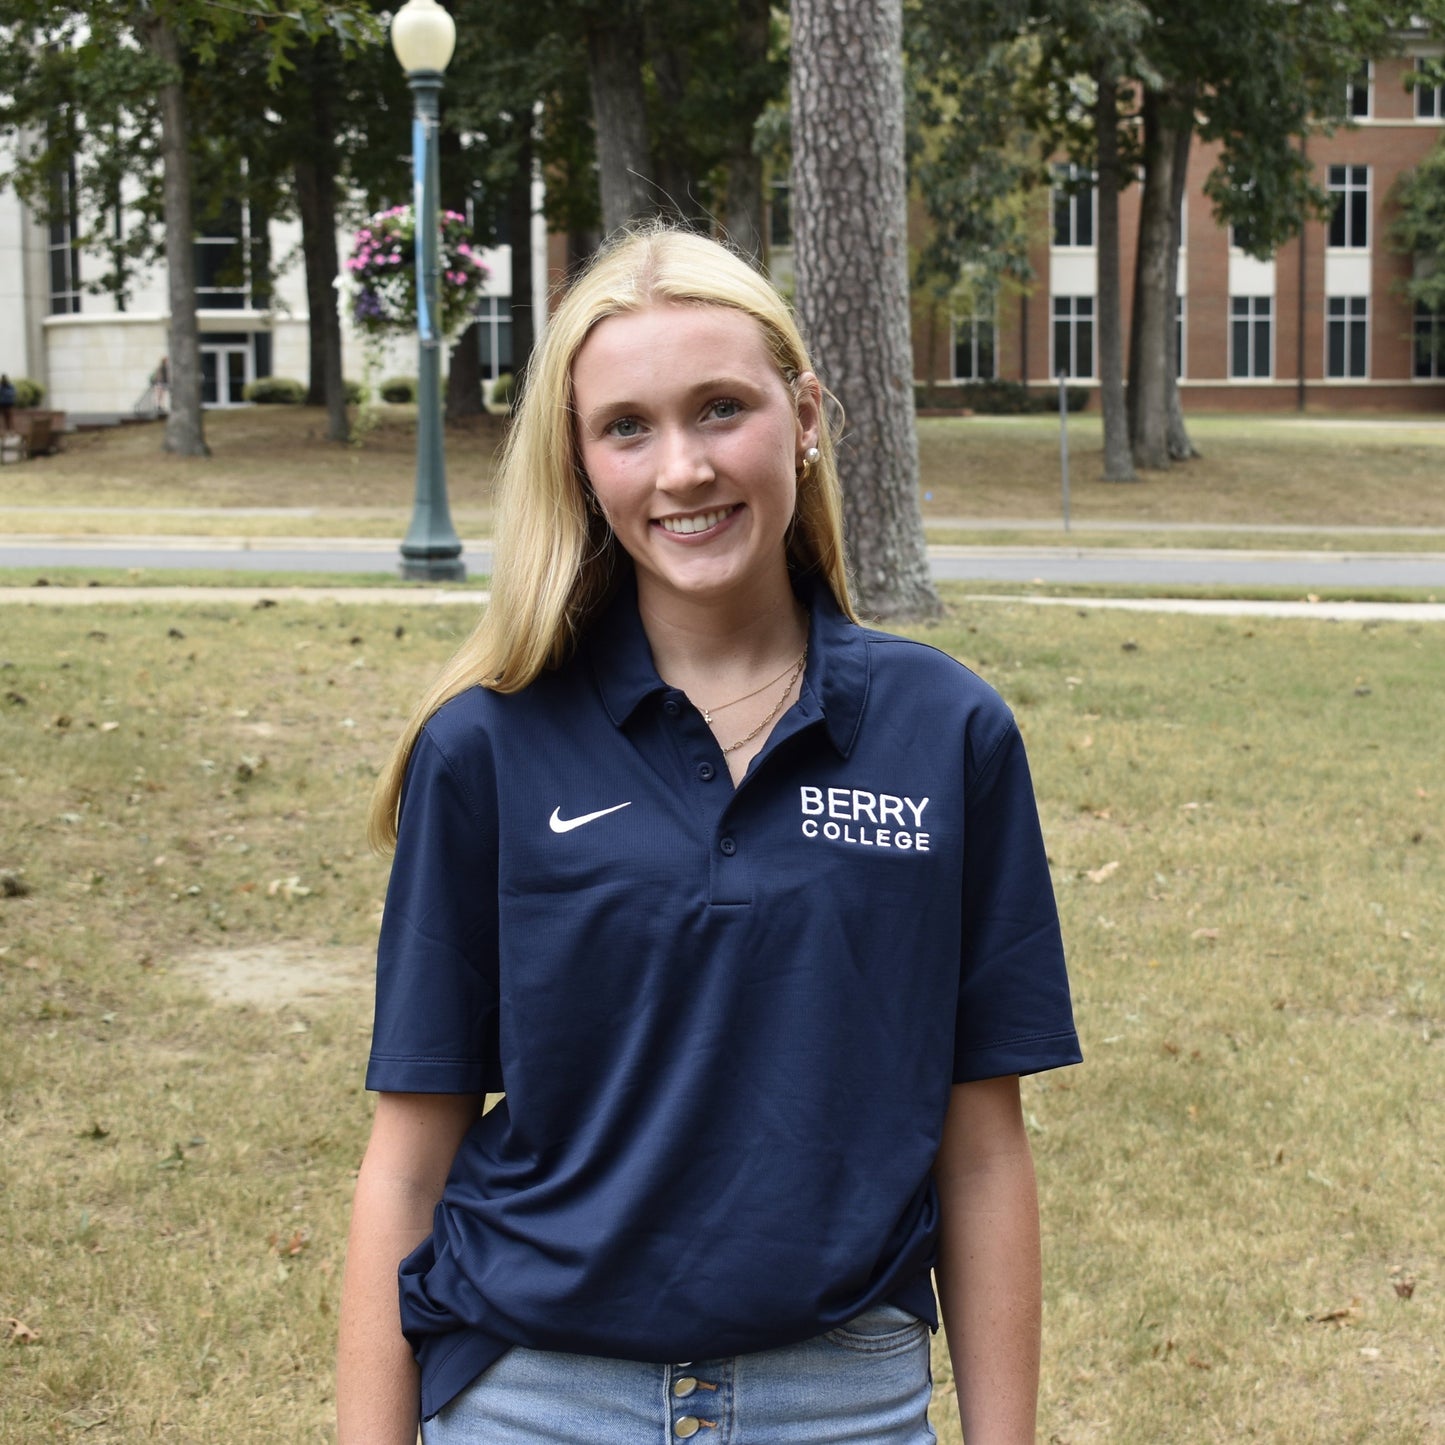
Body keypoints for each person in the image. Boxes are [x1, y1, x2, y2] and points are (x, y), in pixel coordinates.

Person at [337, 225, 1081, 1445]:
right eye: (625, 426)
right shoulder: (485, 746)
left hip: (838, 1400)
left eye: (720, 407)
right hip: (536, 1398)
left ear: (804, 416)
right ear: (580, 465)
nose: (681, 468)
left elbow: (981, 1150)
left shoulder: (945, 731)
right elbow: (407, 1160)